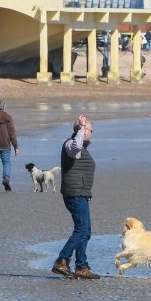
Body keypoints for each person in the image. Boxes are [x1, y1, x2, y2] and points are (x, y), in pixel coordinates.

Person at [51, 114, 100, 279]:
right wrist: (80, 128)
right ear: (83, 130)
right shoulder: (71, 145)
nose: (91, 133)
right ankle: (61, 260)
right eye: (90, 130)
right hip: (74, 194)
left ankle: (81, 266)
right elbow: (76, 147)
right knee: (81, 230)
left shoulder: (81, 147)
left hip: (81, 194)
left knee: (86, 232)